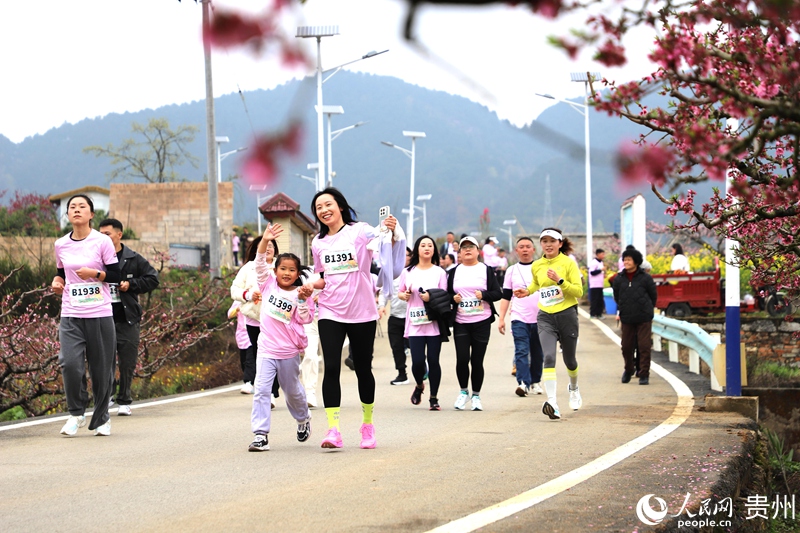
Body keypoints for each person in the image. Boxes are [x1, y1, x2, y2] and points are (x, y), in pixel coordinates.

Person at [304, 187, 406, 449]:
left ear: (340, 206)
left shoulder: (359, 231)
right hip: (330, 311)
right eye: (318, 208)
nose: (324, 210)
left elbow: (383, 237)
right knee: (332, 368)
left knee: (362, 368)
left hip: (362, 312)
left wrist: (391, 229)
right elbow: (322, 275)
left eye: (328, 204)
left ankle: (368, 424)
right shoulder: (318, 243)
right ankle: (333, 430)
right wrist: (310, 286)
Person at [52, 194, 120, 437]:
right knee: (69, 363)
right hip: (71, 313)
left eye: (82, 207)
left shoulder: (102, 241)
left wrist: (96, 273)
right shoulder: (61, 244)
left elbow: (115, 274)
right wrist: (57, 281)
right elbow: (61, 272)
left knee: (102, 370)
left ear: (91, 214)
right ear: (68, 214)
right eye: (72, 207)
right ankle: (76, 413)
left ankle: (102, 417)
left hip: (99, 313)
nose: (76, 210)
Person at [248, 223, 315, 451]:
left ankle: (303, 418)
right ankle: (260, 435)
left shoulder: (301, 293)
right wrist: (265, 241)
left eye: (291, 270)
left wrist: (305, 299)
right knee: (262, 390)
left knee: (292, 391)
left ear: (297, 273)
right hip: (266, 350)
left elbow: (305, 319)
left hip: (289, 353)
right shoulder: (267, 285)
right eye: (282, 268)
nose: (286, 273)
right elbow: (259, 264)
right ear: (275, 271)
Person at [514, 228, 583, 420]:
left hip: (567, 314)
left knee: (570, 360)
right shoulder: (537, 265)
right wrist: (527, 291)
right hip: (545, 315)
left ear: (560, 243)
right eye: (544, 241)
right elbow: (537, 284)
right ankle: (552, 402)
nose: (548, 244)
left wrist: (560, 281)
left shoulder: (569, 263)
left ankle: (574, 388)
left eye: (552, 241)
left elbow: (578, 292)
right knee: (549, 357)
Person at [98, 218, 160, 416]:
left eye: (106, 234)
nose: (103, 238)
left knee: (127, 361)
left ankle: (124, 400)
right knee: (103, 360)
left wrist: (130, 285)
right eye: (100, 234)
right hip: (102, 316)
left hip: (127, 317)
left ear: (119, 235)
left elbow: (152, 278)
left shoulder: (133, 258)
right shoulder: (95, 258)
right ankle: (106, 396)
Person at [447, 235, 502, 411]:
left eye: (471, 247)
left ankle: (476, 396)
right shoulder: (454, 271)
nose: (468, 250)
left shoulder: (486, 270)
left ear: (478, 251)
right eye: (464, 247)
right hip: (461, 321)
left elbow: (497, 293)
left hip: (481, 321)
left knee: (477, 361)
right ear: (460, 253)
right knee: (462, 359)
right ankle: (463, 392)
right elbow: (446, 293)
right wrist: (452, 298)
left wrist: (484, 295)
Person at [398, 236, 448, 410]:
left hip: (433, 324)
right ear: (417, 250)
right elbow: (400, 292)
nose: (426, 248)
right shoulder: (408, 271)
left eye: (430, 245)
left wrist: (431, 297)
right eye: (422, 245)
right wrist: (404, 296)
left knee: (434, 361)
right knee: (418, 362)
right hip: (415, 323)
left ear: (434, 250)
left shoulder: (440, 272)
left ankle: (434, 398)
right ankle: (419, 385)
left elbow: (445, 297)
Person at [231, 235, 281, 402]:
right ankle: (265, 392)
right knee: (261, 354)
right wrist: (248, 295)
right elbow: (234, 290)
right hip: (254, 318)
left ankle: (273, 393)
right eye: (264, 245)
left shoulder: (280, 265)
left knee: (274, 355)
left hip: (276, 319)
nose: (268, 248)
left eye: (271, 246)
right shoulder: (248, 268)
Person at [498, 237, 544, 397]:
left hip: (540, 318)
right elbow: (506, 296)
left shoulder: (541, 268)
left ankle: (536, 381)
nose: (525, 249)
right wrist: (501, 318)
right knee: (521, 350)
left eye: (528, 247)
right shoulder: (511, 270)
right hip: (519, 317)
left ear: (533, 250)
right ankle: (523, 383)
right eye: (521, 247)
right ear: (516, 251)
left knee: (538, 352)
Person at [612, 248, 658, 386]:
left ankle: (644, 373)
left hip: (644, 317)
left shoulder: (646, 278)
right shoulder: (619, 279)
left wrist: (647, 309)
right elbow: (617, 296)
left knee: (644, 346)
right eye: (624, 259)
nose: (626, 262)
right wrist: (623, 308)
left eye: (629, 260)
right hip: (627, 317)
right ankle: (629, 369)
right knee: (626, 346)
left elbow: (653, 296)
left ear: (636, 262)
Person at [381, 247, 413, 386]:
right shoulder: (390, 273)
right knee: (397, 347)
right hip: (395, 316)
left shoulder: (415, 272)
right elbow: (384, 292)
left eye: (405, 255)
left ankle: (422, 366)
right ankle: (402, 373)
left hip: (412, 317)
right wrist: (381, 306)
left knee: (415, 346)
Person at [588, 248, 607, 318]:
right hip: (594, 284)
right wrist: (600, 270)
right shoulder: (594, 262)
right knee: (594, 300)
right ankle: (592, 314)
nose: (603, 255)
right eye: (602, 254)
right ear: (598, 254)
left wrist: (603, 273)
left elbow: (599, 272)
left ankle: (599, 314)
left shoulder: (601, 262)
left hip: (600, 284)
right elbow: (592, 272)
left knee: (600, 300)